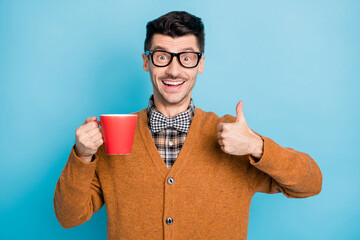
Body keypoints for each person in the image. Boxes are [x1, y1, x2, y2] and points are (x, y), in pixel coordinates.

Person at [54, 11, 322, 240]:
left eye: (187, 57)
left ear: (200, 64)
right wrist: (83, 156)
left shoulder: (233, 135)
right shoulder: (113, 135)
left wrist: (257, 146)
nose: (173, 70)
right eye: (162, 56)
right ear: (146, 61)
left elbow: (310, 183)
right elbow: (69, 217)